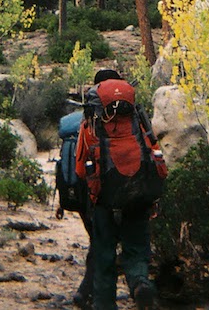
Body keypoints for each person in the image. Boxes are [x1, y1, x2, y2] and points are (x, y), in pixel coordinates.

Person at [75, 71, 164, 310]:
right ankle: (139, 283)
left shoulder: (91, 123)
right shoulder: (137, 119)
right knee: (136, 250)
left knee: (104, 257)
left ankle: (104, 305)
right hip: (137, 197)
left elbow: (81, 170)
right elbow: (155, 154)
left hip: (104, 202)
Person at [67, 68, 122, 309]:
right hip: (103, 195)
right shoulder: (121, 119)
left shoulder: (85, 117)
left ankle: (86, 292)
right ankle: (91, 295)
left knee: (97, 243)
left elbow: (76, 166)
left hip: (80, 194)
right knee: (103, 246)